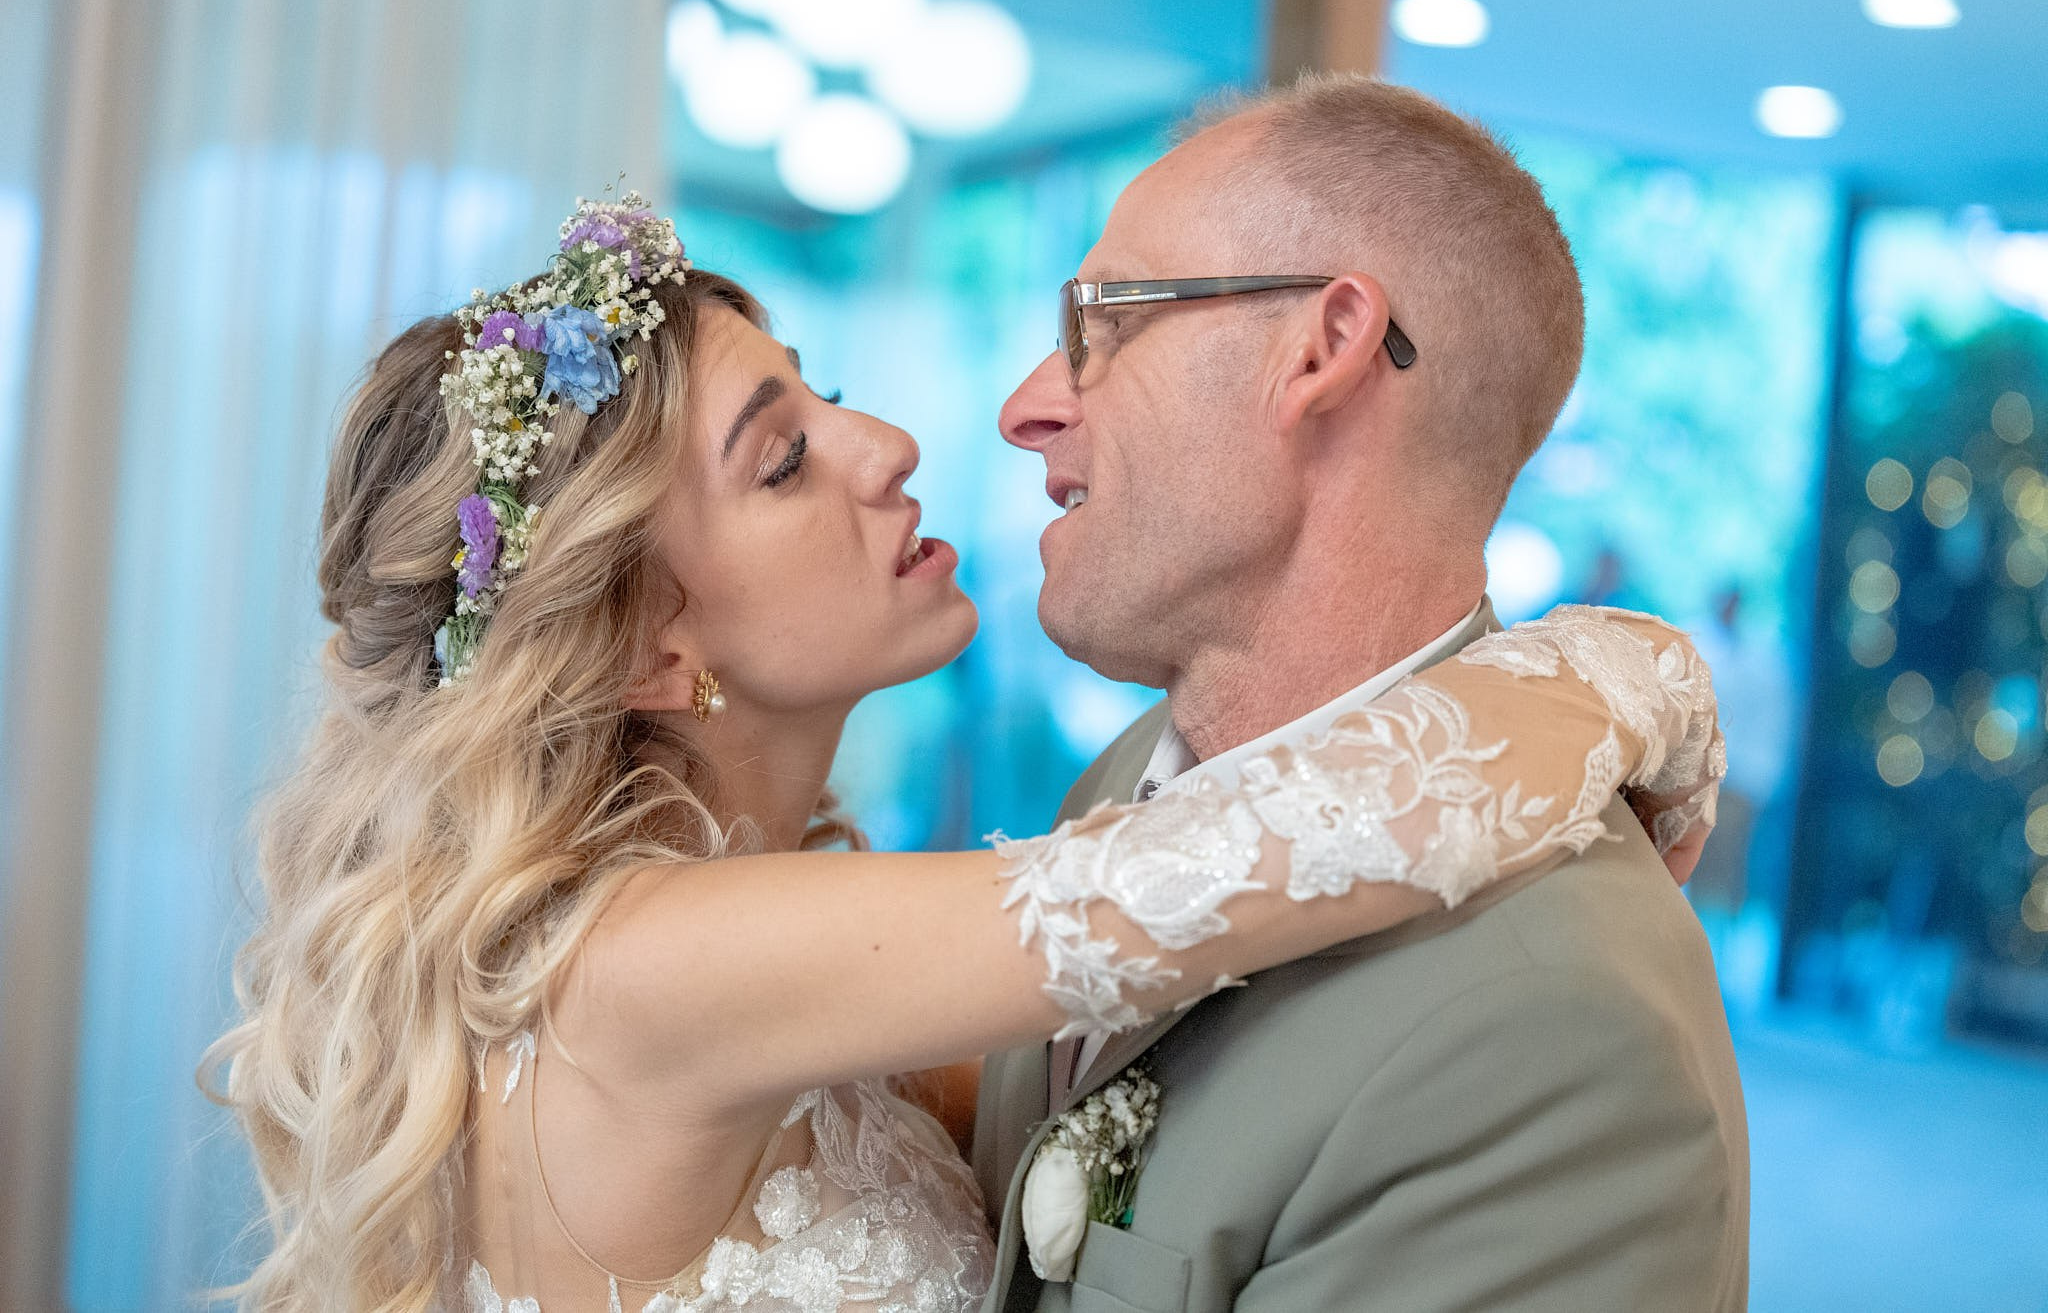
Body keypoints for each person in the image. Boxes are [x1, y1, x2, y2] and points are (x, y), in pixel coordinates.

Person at [201, 194, 1721, 1313]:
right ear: (652, 647)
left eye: (829, 397)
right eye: (786, 460)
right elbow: (1257, 856)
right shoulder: (647, 961)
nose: (892, 450)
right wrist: (1631, 670)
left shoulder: (757, 942)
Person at [984, 75, 1750, 1311]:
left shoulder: (1546, 1030)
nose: (1029, 406)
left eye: (1103, 320)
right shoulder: (1123, 786)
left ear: (1320, 350)